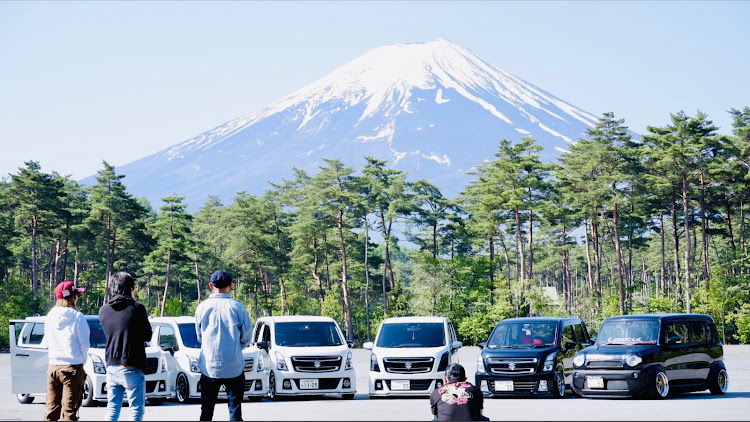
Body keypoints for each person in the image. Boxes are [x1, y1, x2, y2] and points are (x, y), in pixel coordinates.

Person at [195, 270, 253, 421]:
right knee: (235, 412)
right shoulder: (238, 307)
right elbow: (247, 336)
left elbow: (199, 337)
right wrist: (235, 348)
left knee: (206, 412)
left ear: (210, 286)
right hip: (234, 366)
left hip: (209, 367)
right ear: (230, 286)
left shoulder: (202, 307)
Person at [99, 272, 152, 421]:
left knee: (112, 409)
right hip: (131, 364)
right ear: (130, 288)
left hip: (111, 364)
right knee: (135, 410)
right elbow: (147, 335)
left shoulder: (104, 310)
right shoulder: (137, 308)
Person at [42, 281, 90, 421]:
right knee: (69, 413)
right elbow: (85, 344)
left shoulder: (50, 316)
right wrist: (82, 361)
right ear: (72, 298)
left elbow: (46, 343)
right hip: (72, 367)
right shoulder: (77, 316)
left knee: (51, 412)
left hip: (53, 367)